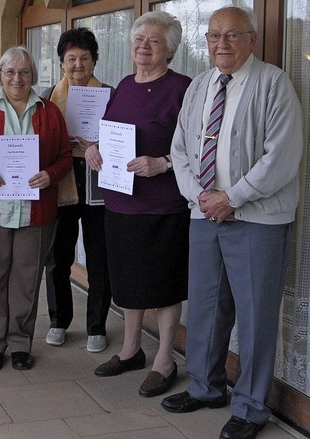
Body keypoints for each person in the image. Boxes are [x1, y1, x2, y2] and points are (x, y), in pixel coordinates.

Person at [161, 7, 303, 439]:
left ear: (252, 40)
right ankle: (206, 387)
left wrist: (232, 198)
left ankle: (252, 407)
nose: (221, 44)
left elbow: (281, 156)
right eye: (214, 36)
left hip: (256, 219)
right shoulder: (201, 85)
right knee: (204, 305)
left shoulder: (273, 83)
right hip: (203, 213)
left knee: (256, 314)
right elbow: (180, 147)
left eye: (232, 35)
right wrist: (199, 196)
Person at [85, 11, 191, 398]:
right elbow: (111, 133)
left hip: (164, 206)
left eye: (154, 41)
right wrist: (95, 149)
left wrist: (162, 163)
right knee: (127, 281)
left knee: (164, 285)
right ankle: (131, 351)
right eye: (139, 39)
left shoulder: (183, 88)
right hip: (120, 202)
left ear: (170, 50)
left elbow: (200, 150)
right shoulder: (125, 85)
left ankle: (164, 359)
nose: (143, 46)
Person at [0, 46, 72, 372]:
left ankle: (20, 343)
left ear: (32, 75)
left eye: (23, 72)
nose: (17, 78)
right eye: (10, 72)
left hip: (34, 210)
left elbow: (65, 155)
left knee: (26, 278)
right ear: (0, 75)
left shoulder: (49, 112)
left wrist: (50, 175)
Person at [42, 27, 113, 353]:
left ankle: (97, 325)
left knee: (99, 256)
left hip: (99, 183)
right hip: (62, 181)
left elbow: (123, 140)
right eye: (71, 58)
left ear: (94, 61)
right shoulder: (46, 99)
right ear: (61, 63)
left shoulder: (111, 95)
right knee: (59, 256)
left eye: (84, 58)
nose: (78, 64)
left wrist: (102, 144)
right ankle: (58, 321)